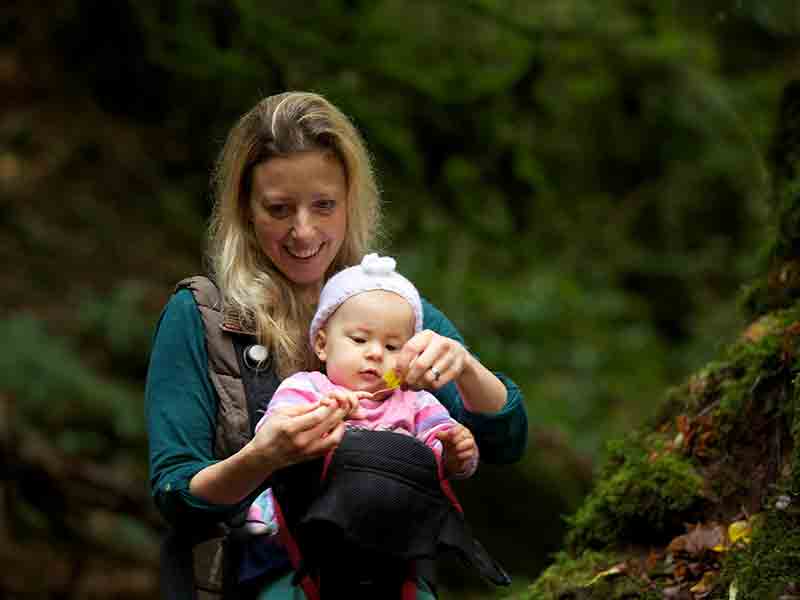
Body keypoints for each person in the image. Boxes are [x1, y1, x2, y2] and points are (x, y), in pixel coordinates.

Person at [145, 91, 528, 599]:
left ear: (351, 200)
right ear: (244, 209)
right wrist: (262, 457)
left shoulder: (391, 310)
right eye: (279, 209)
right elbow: (175, 493)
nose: (303, 232)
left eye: (324, 205)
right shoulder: (201, 317)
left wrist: (467, 370)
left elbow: (506, 442)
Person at [245, 253, 479, 537]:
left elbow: (441, 457)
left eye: (393, 347)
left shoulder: (417, 403)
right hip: (305, 522)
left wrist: (456, 452)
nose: (375, 353)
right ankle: (269, 525)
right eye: (359, 340)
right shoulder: (307, 388)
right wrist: (321, 415)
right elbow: (272, 432)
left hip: (388, 530)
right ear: (322, 344)